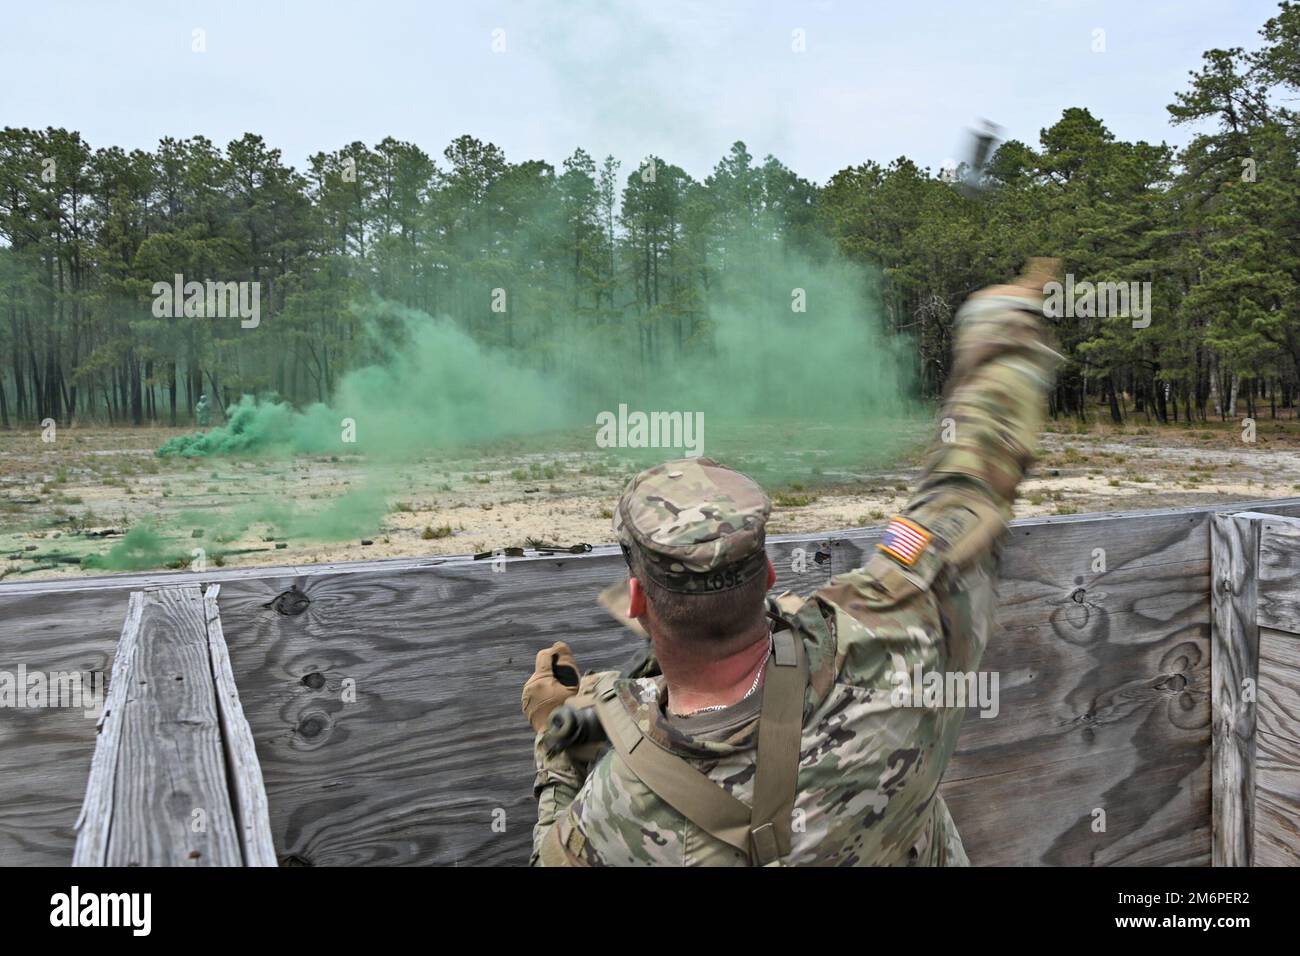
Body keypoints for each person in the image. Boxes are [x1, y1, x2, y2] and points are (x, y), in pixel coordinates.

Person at [522, 260, 1062, 866]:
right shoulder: (897, 646)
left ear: (638, 600)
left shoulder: (612, 817)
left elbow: (552, 852)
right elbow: (966, 493)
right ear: (770, 575)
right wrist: (1002, 328)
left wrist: (555, 735)